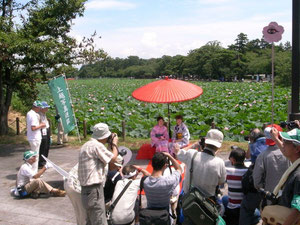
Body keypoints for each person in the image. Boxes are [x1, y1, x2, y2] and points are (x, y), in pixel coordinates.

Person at [78, 123, 118, 225]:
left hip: (85, 190)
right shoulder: (97, 145)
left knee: (91, 220)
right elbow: (113, 158)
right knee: (99, 221)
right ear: (104, 136)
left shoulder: (85, 145)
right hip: (94, 189)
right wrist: (114, 144)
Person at [175, 129, 226, 199]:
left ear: (205, 142)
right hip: (208, 203)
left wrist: (193, 145)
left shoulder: (192, 154)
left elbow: (178, 153)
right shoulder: (220, 162)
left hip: (189, 200)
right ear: (219, 146)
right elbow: (221, 182)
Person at [253, 124, 291, 208]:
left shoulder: (262, 156)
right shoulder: (291, 154)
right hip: (289, 198)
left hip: (270, 198)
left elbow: (257, 181)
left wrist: (264, 189)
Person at [268, 128, 300, 225]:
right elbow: (285, 149)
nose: (283, 144)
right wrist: (275, 139)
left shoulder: (298, 175)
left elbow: (297, 210)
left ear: (297, 149)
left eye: (286, 142)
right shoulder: (296, 163)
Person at [143, 152, 182, 224]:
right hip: (164, 216)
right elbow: (179, 169)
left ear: (152, 164)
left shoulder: (145, 182)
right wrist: (169, 156)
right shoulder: (169, 182)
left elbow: (149, 175)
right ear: (165, 165)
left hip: (150, 217)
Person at [223, 147, 248, 225]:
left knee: (224, 199)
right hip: (245, 207)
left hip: (232, 208)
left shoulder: (227, 171)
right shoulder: (248, 171)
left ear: (233, 159)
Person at [26, 100, 46, 173]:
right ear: (36, 107)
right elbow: (33, 128)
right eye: (39, 107)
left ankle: (33, 171)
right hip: (35, 137)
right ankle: (34, 172)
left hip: (32, 137)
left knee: (34, 154)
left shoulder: (29, 113)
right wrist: (41, 125)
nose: (40, 109)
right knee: (35, 156)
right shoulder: (33, 115)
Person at [38, 101, 51, 168]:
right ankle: (41, 162)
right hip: (42, 131)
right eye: (46, 108)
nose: (47, 109)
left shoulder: (44, 114)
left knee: (47, 146)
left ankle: (44, 160)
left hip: (46, 130)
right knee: (42, 147)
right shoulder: (38, 114)